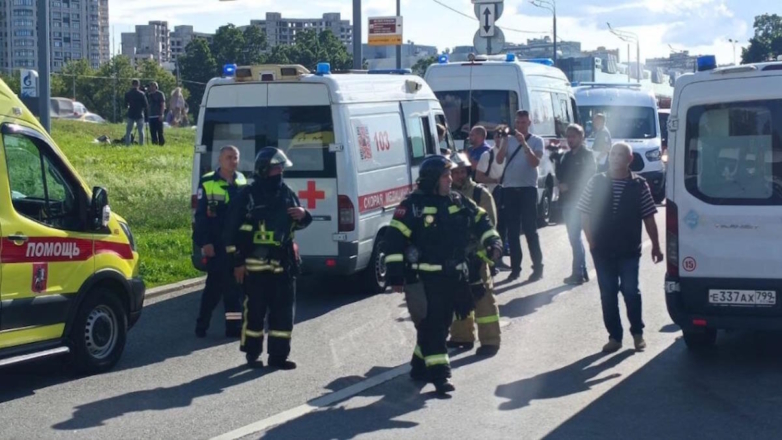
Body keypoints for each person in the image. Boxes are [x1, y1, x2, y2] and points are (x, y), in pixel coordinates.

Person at [385, 155, 502, 395]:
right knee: (435, 327)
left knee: (438, 325)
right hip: (423, 280)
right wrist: (395, 276)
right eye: (445, 175)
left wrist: (493, 241)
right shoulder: (412, 206)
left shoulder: (457, 201)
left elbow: (481, 220)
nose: (450, 179)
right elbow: (394, 240)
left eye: (450, 175)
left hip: (454, 277)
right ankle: (441, 375)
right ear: (432, 180)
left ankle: (419, 366)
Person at [224, 147, 312, 369]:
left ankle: (278, 357)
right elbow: (231, 231)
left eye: (282, 168)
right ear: (264, 170)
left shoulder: (286, 192)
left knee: (283, 314)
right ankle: (252, 354)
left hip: (284, 265)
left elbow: (298, 221)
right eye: (276, 168)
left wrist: (304, 215)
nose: (280, 172)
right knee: (254, 313)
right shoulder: (248, 195)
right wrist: (237, 262)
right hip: (255, 267)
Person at [578, 142, 663, 354]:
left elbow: (649, 218)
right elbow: (584, 212)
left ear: (629, 159)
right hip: (603, 249)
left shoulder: (639, 185)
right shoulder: (596, 181)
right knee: (608, 294)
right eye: (613, 154)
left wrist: (656, 246)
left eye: (620, 155)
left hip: (629, 249)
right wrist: (591, 241)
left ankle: (637, 333)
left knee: (631, 291)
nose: (616, 158)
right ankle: (615, 337)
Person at [446, 152, 501, 356]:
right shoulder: (445, 194)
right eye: (455, 172)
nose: (459, 175)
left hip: (477, 256)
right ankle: (462, 337)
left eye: (462, 171)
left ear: (468, 171)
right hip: (455, 257)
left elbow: (490, 225)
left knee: (483, 297)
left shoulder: (480, 194)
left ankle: (490, 341)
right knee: (458, 296)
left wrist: (478, 253)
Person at [193, 146, 248, 338]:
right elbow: (200, 217)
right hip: (216, 243)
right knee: (213, 289)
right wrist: (205, 243)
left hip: (235, 242)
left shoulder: (241, 180)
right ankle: (202, 324)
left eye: (235, 157)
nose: (232, 161)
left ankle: (233, 328)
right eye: (228, 157)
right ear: (220, 160)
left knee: (234, 288)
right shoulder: (208, 181)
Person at [495, 110, 545, 283]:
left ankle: (538, 267)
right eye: (517, 122)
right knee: (512, 232)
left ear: (529, 123)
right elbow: (500, 160)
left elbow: (534, 163)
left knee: (530, 230)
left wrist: (524, 144)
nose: (520, 126)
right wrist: (503, 143)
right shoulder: (508, 140)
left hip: (528, 189)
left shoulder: (537, 141)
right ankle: (515, 269)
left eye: (523, 123)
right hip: (510, 189)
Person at [557, 124, 596, 285]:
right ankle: (583, 271)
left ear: (581, 138)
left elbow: (589, 177)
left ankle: (577, 273)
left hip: (581, 202)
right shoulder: (566, 156)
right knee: (574, 237)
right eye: (568, 137)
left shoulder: (587, 155)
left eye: (573, 137)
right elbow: (559, 175)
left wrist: (570, 186)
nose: (570, 140)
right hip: (567, 201)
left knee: (575, 237)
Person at [124, 79, 148, 146]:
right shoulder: (142, 94)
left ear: (132, 84)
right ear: (138, 85)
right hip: (139, 113)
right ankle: (141, 144)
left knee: (128, 131)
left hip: (131, 113)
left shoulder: (128, 94)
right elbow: (146, 105)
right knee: (141, 131)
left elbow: (125, 105)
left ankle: (127, 144)